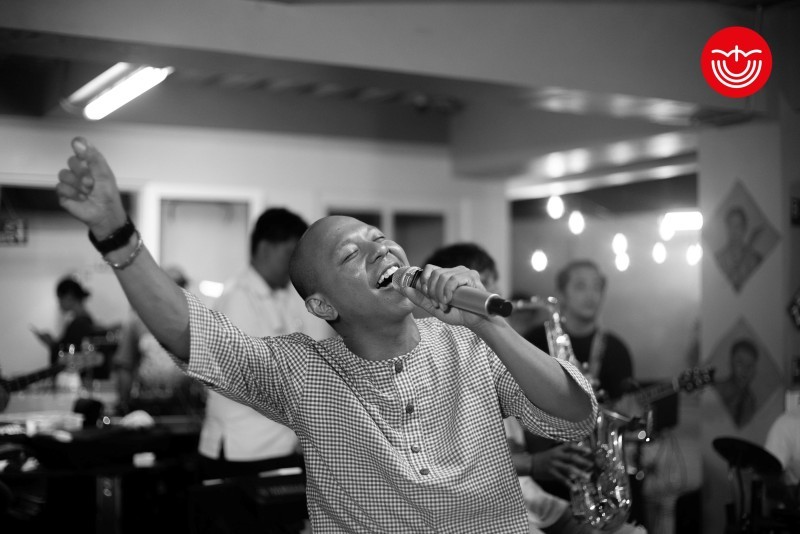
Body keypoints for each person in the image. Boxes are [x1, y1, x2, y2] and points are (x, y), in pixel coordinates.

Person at [55, 137, 597, 533]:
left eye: (379, 238)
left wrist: (488, 325)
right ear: (322, 305)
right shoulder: (304, 373)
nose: (381, 250)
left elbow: (574, 415)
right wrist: (115, 234)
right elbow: (192, 333)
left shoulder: (469, 343)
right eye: (350, 254)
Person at [425, 244, 644, 534]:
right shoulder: (438, 359)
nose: (497, 291)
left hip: (535, 501)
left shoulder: (492, 349)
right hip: (488, 511)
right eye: (486, 281)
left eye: (491, 282)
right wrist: (534, 462)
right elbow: (445, 462)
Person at [198, 207, 332, 479]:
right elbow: (256, 373)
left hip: (277, 442)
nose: (294, 264)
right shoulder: (238, 298)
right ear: (264, 248)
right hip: (244, 446)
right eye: (289, 253)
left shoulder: (284, 296)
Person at [521, 260, 635, 499]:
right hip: (547, 469)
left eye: (597, 287)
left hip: (599, 468)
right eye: (581, 286)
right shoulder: (534, 341)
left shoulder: (617, 349)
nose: (591, 295)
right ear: (561, 293)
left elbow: (623, 409)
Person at [113, 266, 206, 417]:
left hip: (184, 406)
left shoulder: (196, 322)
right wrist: (123, 404)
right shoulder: (138, 321)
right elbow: (125, 366)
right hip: (145, 404)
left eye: (180, 286)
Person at [30, 276, 97, 383]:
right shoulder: (82, 321)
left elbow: (69, 356)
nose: (59, 303)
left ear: (69, 297)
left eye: (60, 299)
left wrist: (52, 344)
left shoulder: (80, 323)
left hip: (73, 381)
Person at [715, 206, 763, 292]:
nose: (734, 231)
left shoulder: (755, 260)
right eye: (731, 226)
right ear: (727, 228)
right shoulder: (717, 259)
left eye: (738, 226)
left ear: (744, 228)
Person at [714, 338, 759, 428]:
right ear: (731, 363)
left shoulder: (750, 401)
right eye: (740, 363)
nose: (745, 370)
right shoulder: (716, 390)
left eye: (750, 365)